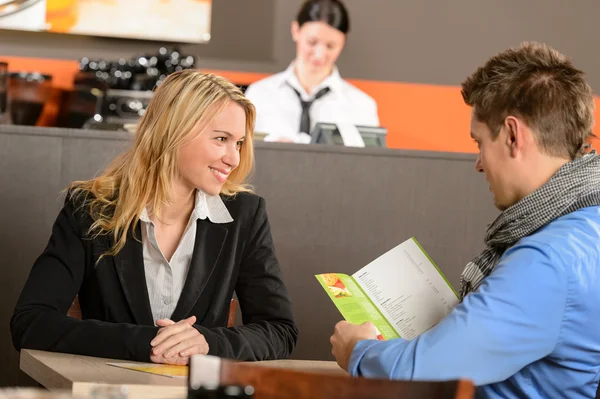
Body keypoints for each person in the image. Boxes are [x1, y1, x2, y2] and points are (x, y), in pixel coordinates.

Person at [330, 42, 600, 398]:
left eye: (479, 143)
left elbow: (420, 371)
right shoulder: (586, 225)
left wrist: (357, 351)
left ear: (513, 136)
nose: (479, 163)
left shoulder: (547, 259)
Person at [11, 70, 298, 365]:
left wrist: (207, 343)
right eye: (221, 139)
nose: (234, 158)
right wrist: (149, 342)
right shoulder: (89, 209)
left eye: (238, 143)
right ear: (173, 132)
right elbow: (31, 323)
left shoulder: (245, 216)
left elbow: (280, 331)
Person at [244, 0, 379, 144]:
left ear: (343, 42)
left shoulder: (361, 106)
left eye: (331, 46)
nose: (319, 54)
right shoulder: (259, 95)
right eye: (312, 42)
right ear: (296, 30)